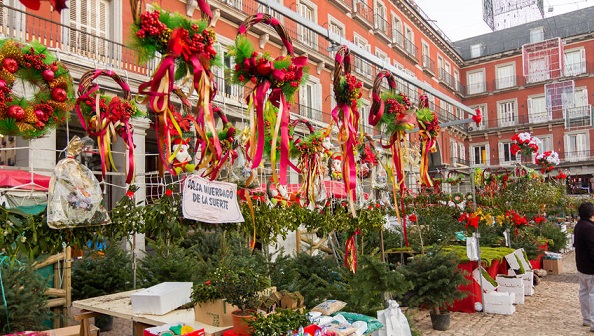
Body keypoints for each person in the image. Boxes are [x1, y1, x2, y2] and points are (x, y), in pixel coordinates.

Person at [575, 201, 594, 331]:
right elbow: (592, 247)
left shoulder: (579, 226)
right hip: (591, 266)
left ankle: (586, 318)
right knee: (592, 293)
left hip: (581, 265)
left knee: (583, 291)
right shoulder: (590, 227)